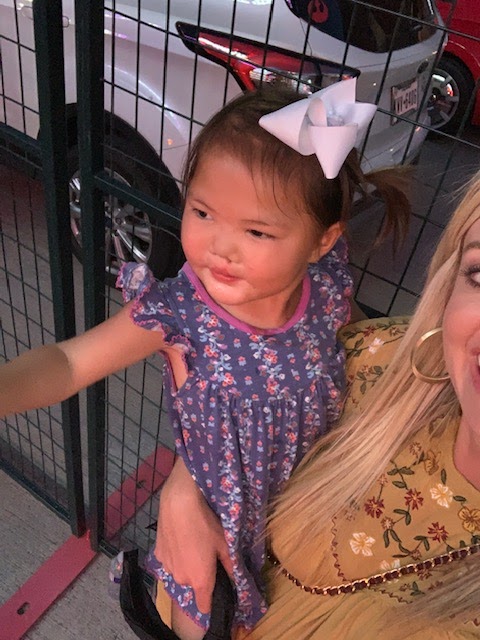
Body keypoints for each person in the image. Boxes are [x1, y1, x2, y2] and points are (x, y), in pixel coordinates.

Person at [0, 81, 409, 639]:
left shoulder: (328, 288)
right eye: (202, 211)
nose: (220, 246)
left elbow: (365, 351)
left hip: (312, 521)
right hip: (213, 544)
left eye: (256, 230)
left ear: (321, 241)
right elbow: (69, 364)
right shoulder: (180, 314)